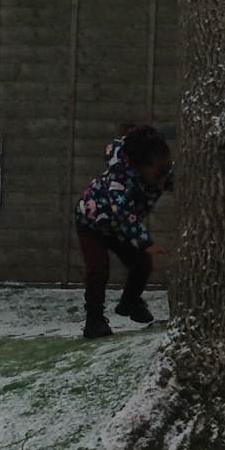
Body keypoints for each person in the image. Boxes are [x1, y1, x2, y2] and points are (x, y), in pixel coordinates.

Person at [74, 125, 173, 339]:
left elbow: (169, 178)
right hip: (92, 222)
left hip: (118, 226)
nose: (162, 179)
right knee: (98, 268)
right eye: (158, 174)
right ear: (140, 167)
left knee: (142, 263)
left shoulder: (159, 171)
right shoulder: (119, 179)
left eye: (167, 171)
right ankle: (94, 320)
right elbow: (123, 214)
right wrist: (146, 242)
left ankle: (129, 302)